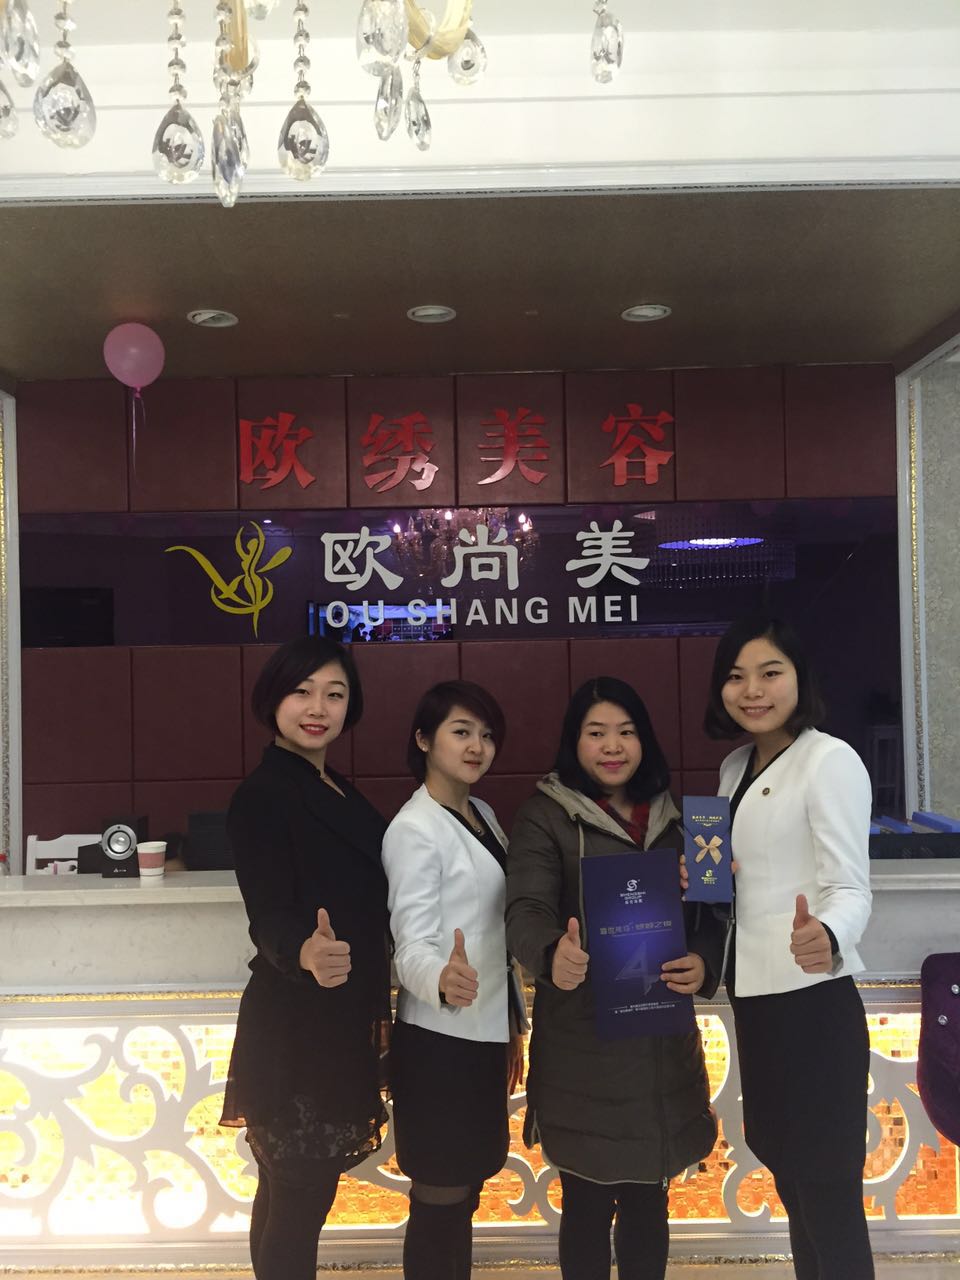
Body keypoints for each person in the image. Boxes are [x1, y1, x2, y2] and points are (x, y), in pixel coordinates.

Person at [505, 677, 721, 1280]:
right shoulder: (545, 816)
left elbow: (712, 915)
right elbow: (524, 911)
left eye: (626, 732)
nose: (612, 746)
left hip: (663, 1050)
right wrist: (552, 954)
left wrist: (704, 961)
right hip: (583, 1049)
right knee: (586, 1204)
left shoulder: (680, 820)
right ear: (574, 742)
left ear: (644, 741)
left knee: (651, 1203)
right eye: (596, 732)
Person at [703, 615, 875, 1280]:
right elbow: (736, 881)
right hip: (757, 1003)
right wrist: (703, 875)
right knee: (790, 1180)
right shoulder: (733, 768)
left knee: (828, 1194)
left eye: (770, 673)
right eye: (736, 676)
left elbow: (850, 888)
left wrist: (826, 934)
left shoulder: (830, 760)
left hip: (813, 1004)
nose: (752, 690)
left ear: (800, 678)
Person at [220, 636, 391, 1280]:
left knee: (291, 1189)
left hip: (337, 1019)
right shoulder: (263, 793)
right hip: (296, 1024)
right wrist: (304, 950)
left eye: (334, 694)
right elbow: (267, 913)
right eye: (303, 691)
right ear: (274, 699)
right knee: (299, 1194)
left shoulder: (333, 785)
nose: (318, 707)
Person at [382, 680, 524, 1280]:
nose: (477, 747)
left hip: (484, 1032)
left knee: (466, 1188)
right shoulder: (412, 829)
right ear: (423, 740)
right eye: (461, 732)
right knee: (440, 1195)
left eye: (486, 735)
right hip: (439, 1041)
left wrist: (513, 1023)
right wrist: (440, 978)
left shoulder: (481, 813)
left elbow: (496, 932)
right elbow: (409, 945)